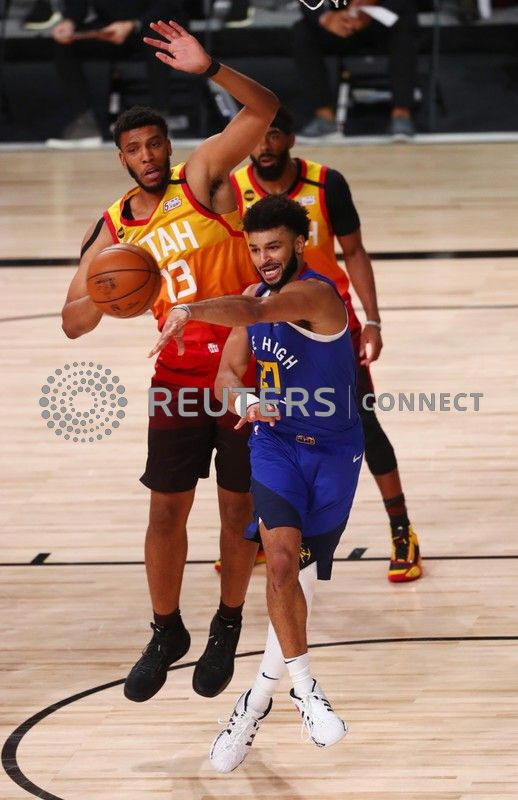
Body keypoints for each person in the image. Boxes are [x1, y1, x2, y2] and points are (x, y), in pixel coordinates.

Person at [61, 20, 279, 703]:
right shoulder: (114, 228)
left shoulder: (202, 178)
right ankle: (166, 630)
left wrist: (210, 67)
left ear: (168, 145)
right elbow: (71, 321)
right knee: (165, 513)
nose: (148, 156)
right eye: (135, 149)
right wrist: (107, 293)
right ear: (121, 158)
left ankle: (227, 622)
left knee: (236, 511)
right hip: (177, 378)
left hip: (244, 372)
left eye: (155, 143)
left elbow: (264, 110)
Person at [151, 194, 363, 769]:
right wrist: (244, 400)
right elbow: (226, 373)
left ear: (300, 244)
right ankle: (307, 691)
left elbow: (255, 312)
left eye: (274, 247)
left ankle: (251, 706)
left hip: (335, 455)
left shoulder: (317, 295)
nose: (264, 258)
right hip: (275, 446)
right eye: (255, 248)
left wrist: (189, 308)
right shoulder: (253, 296)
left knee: (299, 587)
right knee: (282, 564)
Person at [230, 106, 422, 583]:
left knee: (364, 423)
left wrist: (372, 319)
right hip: (267, 320)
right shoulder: (234, 187)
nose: (264, 146)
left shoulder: (326, 183)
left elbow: (353, 251)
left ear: (291, 138)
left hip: (328, 325)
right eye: (257, 137)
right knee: (259, 420)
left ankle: (401, 529)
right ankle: (275, 527)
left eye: (274, 135)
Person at [49, 1, 189, 144]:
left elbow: (167, 5)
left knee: (157, 40)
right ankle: (85, 122)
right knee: (64, 43)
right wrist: (70, 21)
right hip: (109, 26)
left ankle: (160, 121)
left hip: (151, 23)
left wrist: (132, 24)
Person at [293, 0, 418, 138]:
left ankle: (401, 114)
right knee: (302, 30)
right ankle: (324, 118)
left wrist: (368, 10)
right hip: (338, 20)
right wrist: (326, 17)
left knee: (403, 24)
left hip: (381, 18)